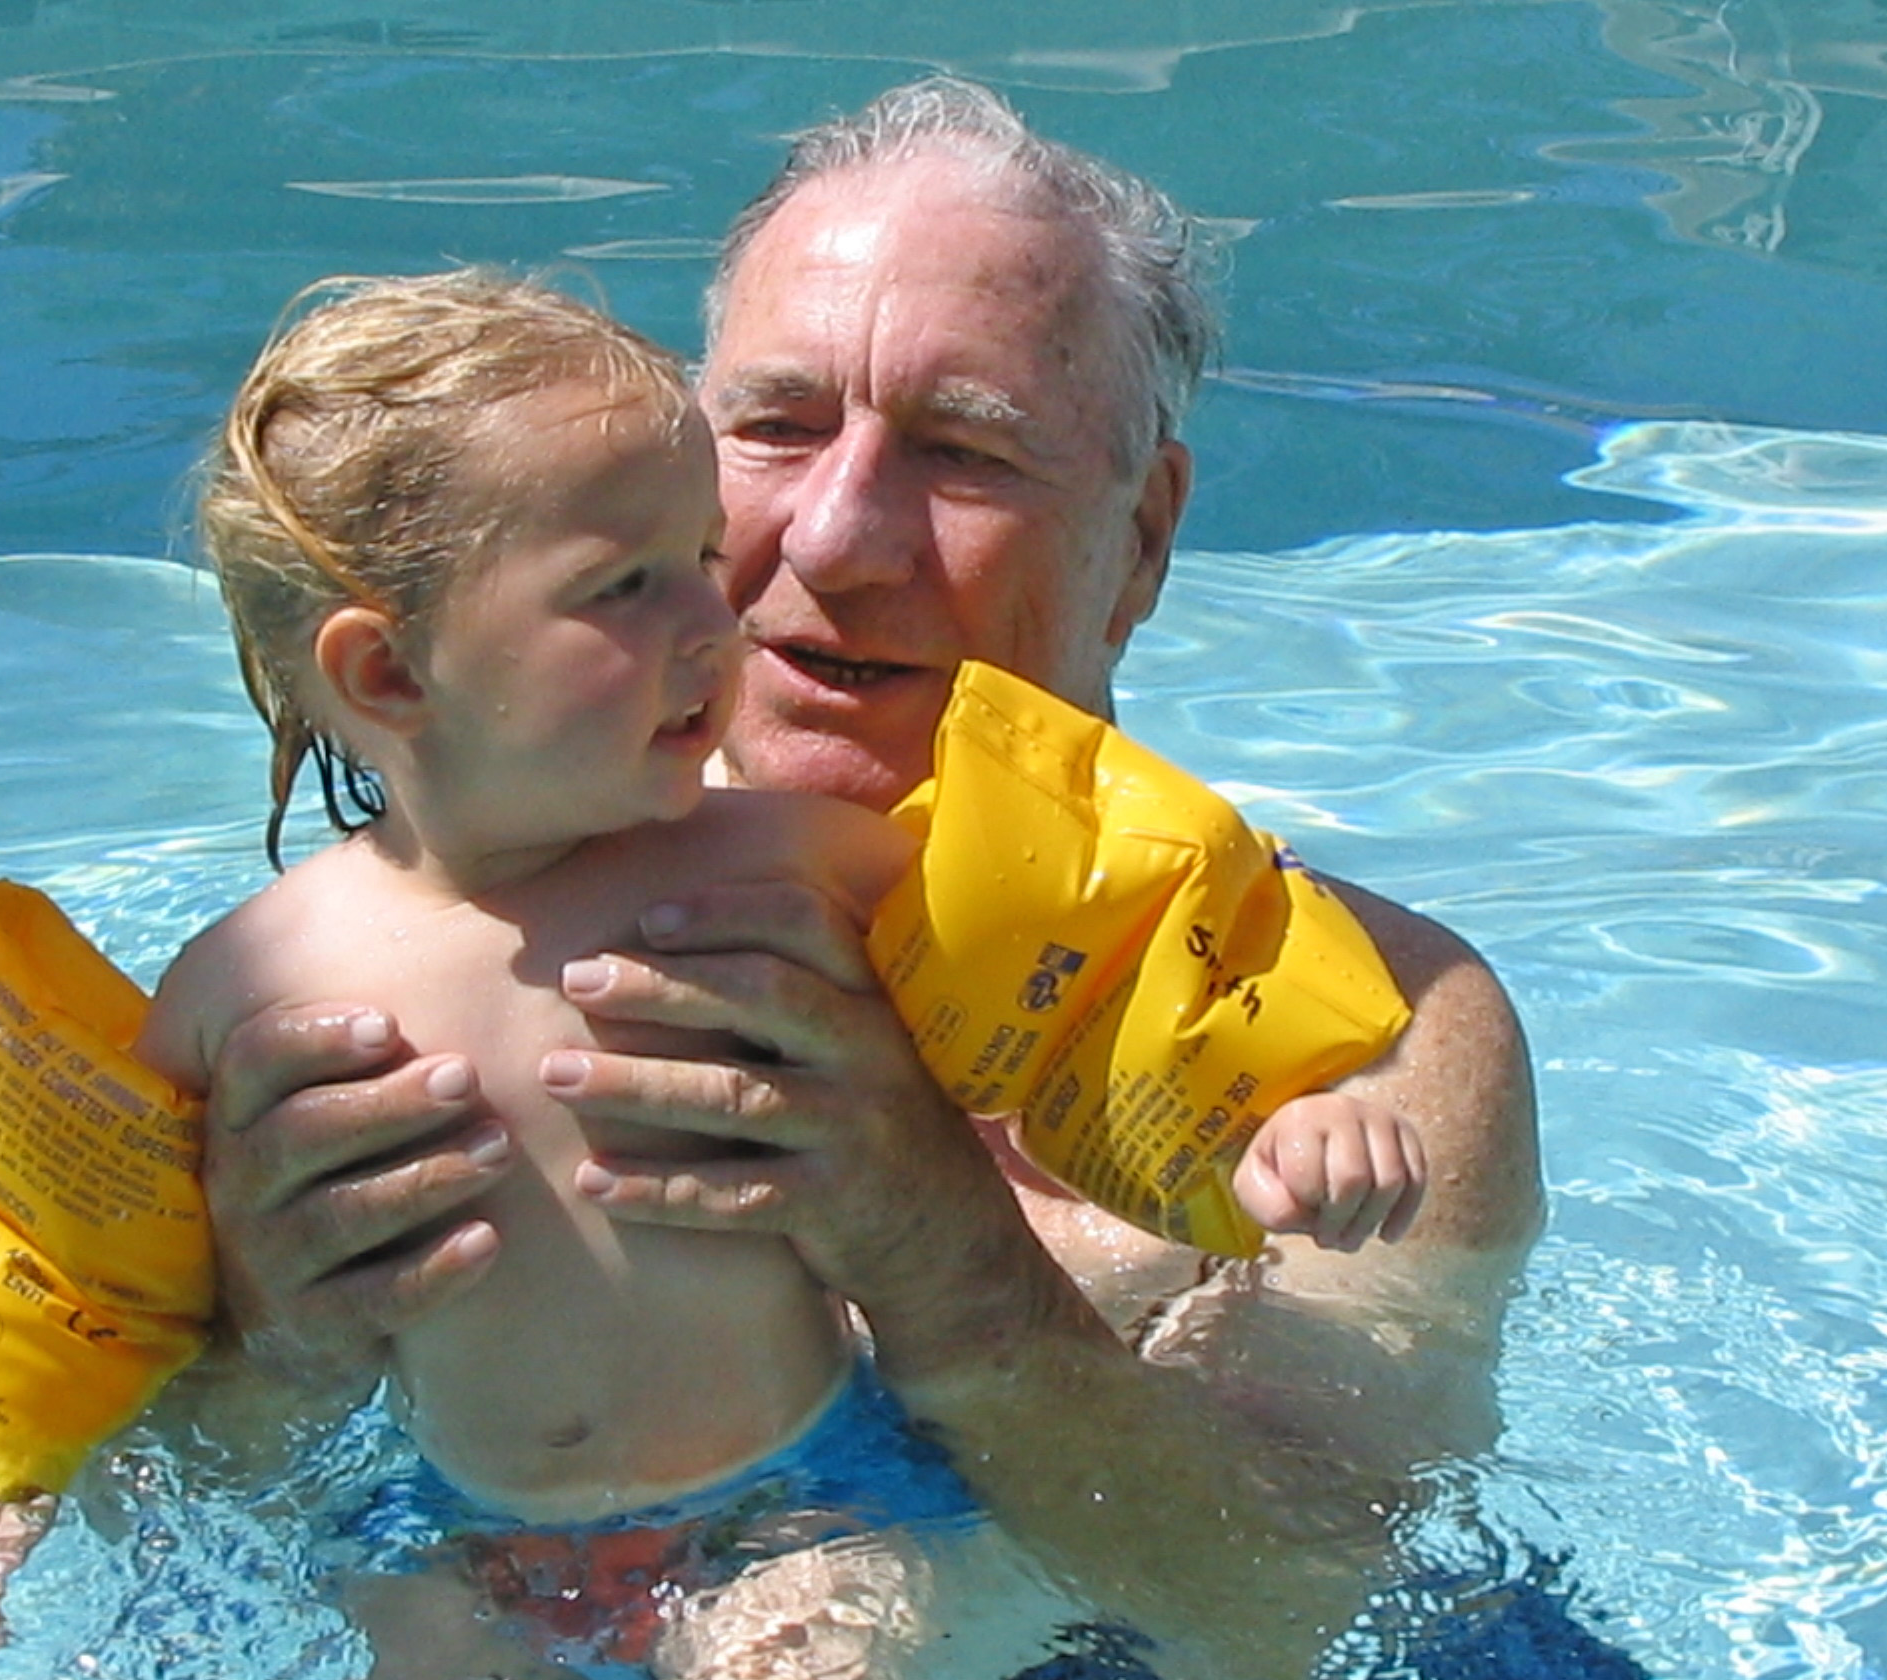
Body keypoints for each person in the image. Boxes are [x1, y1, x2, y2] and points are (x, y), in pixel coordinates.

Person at [192, 82, 1546, 1679]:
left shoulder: (1374, 1035)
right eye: (774, 429)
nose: (836, 539)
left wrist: (945, 1258)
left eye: (964, 454)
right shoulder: (411, 955)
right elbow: (175, 1505)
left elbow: (1291, 1611)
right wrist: (270, 1353)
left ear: (1146, 537)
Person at [0, 264, 1431, 1676]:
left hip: (810, 1499)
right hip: (456, 1523)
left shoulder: (785, 866)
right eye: (625, 585)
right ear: (386, 671)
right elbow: (116, 1284)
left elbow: (1078, 1010)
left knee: (815, 1647)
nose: (721, 619)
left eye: (702, 558)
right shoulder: (250, 979)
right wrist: (18, 1462)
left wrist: (1279, 1118)